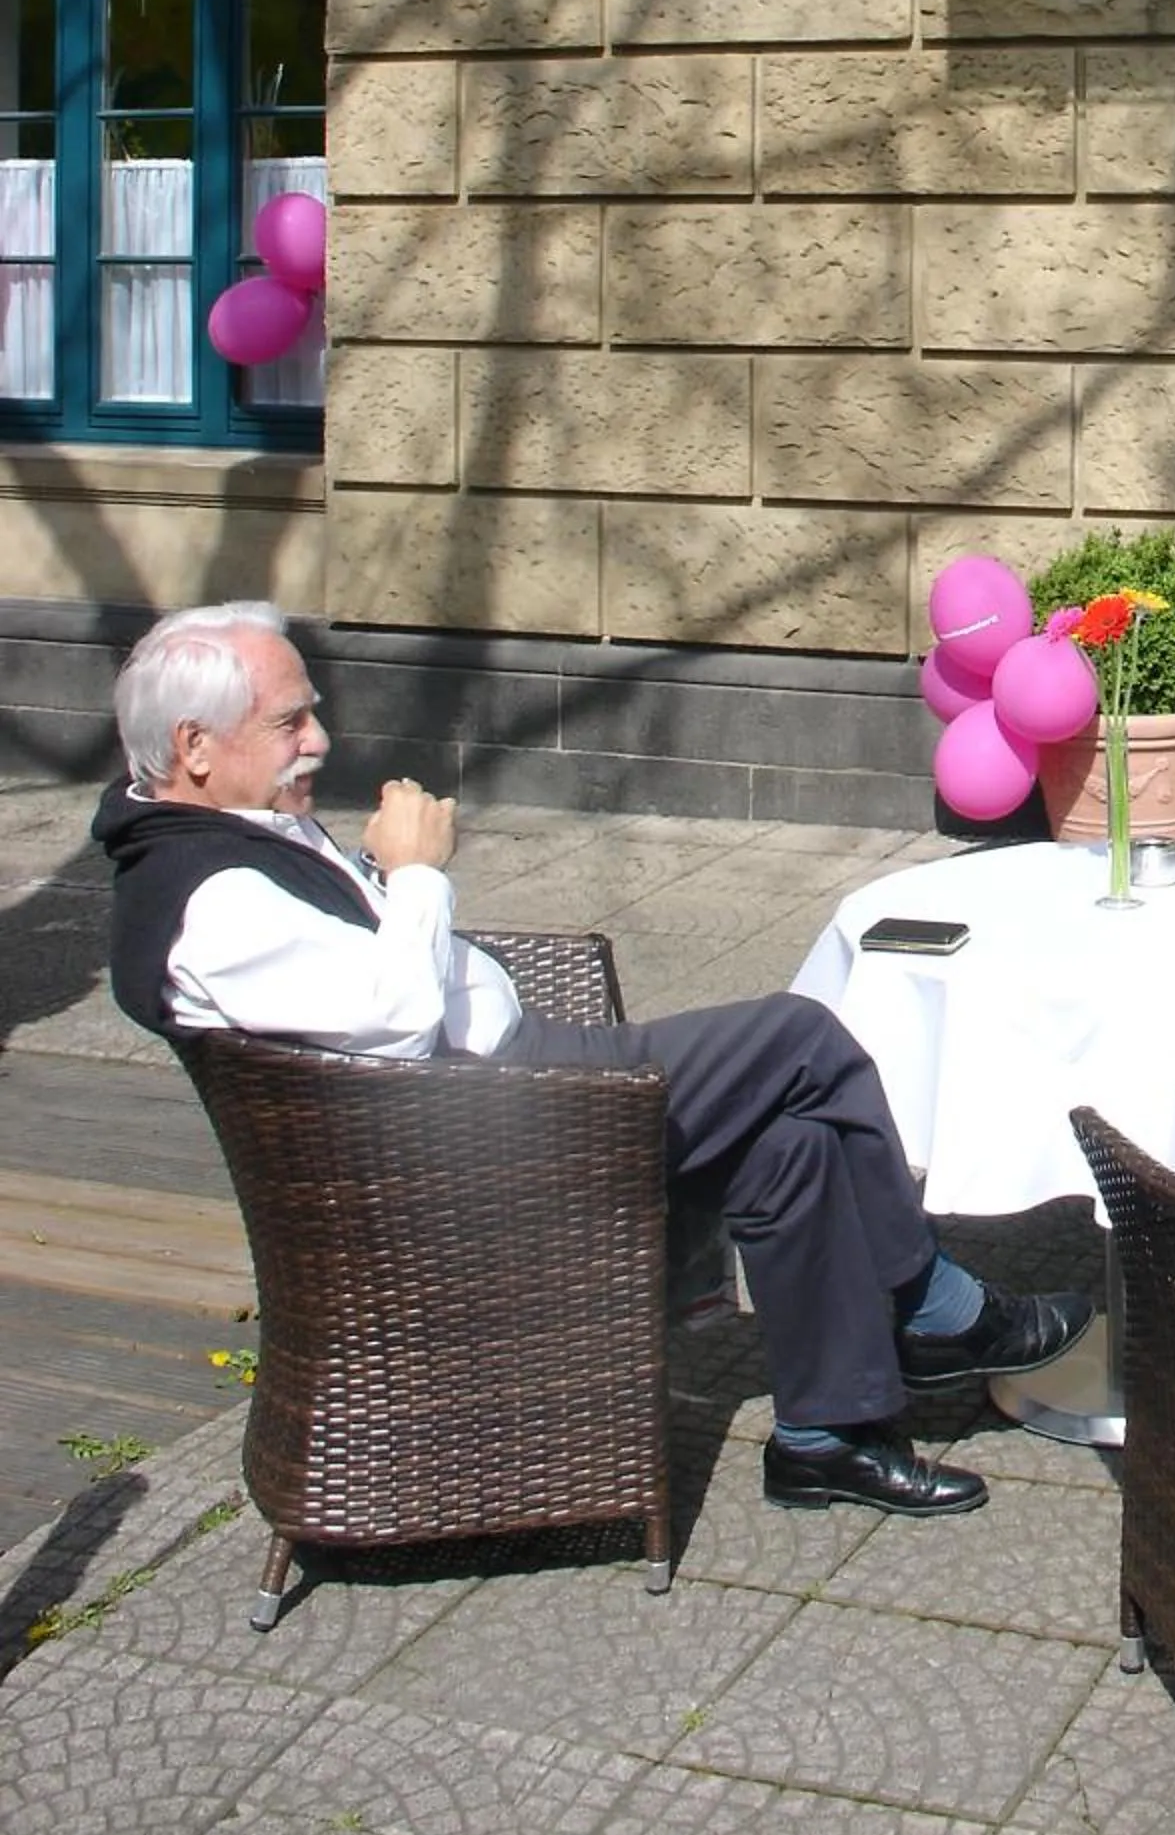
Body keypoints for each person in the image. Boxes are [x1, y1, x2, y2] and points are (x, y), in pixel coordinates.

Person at [98, 601, 1090, 1520]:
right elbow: (396, 1020)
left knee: (790, 1139)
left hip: (495, 1096)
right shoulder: (212, 901)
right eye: (289, 724)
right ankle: (934, 1304)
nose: (318, 740)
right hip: (496, 1138)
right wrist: (411, 874)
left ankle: (822, 1437)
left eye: (312, 715)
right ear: (193, 747)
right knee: (803, 1038)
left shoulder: (223, 834)